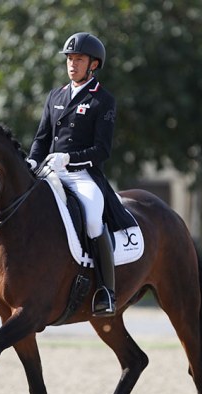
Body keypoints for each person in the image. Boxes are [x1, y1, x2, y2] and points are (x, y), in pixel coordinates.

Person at [29, 32, 134, 317]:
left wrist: (69, 158)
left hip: (82, 175)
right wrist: (31, 161)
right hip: (50, 172)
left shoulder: (103, 101)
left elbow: (102, 150)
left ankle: (106, 291)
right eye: (70, 59)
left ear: (93, 65)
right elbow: (41, 139)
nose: (72, 64)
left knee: (91, 220)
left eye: (79, 59)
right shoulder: (56, 96)